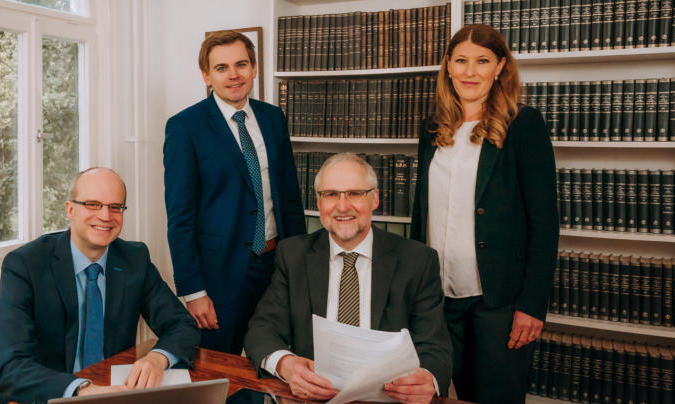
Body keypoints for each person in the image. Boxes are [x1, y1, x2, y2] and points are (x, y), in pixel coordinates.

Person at [409, 24, 559, 403]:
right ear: (448, 65)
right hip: (438, 298)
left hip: (499, 301)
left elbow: (544, 223)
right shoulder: (432, 129)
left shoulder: (524, 124)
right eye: (461, 61)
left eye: (482, 61)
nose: (470, 72)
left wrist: (531, 305)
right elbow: (420, 213)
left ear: (500, 67)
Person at [244, 153, 452, 404]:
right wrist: (286, 365)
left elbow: (435, 346)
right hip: (314, 397)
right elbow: (262, 330)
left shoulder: (418, 261)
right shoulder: (293, 255)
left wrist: (428, 378)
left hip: (386, 399)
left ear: (375, 198)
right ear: (319, 202)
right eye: (331, 194)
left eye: (354, 193)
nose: (342, 207)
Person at [0, 168, 199, 404]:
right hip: (43, 395)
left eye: (115, 207)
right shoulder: (25, 264)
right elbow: (8, 365)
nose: (106, 216)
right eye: (93, 204)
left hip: (111, 391)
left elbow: (182, 324)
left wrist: (157, 359)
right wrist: (81, 389)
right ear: (70, 210)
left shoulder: (134, 260)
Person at [163, 30, 305, 355]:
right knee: (217, 366)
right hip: (220, 275)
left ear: (254, 68)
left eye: (241, 64)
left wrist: (299, 265)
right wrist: (192, 291)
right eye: (221, 68)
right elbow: (180, 216)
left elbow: (290, 198)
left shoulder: (273, 118)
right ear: (206, 76)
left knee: (272, 359)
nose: (233, 75)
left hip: (276, 265)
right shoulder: (185, 127)